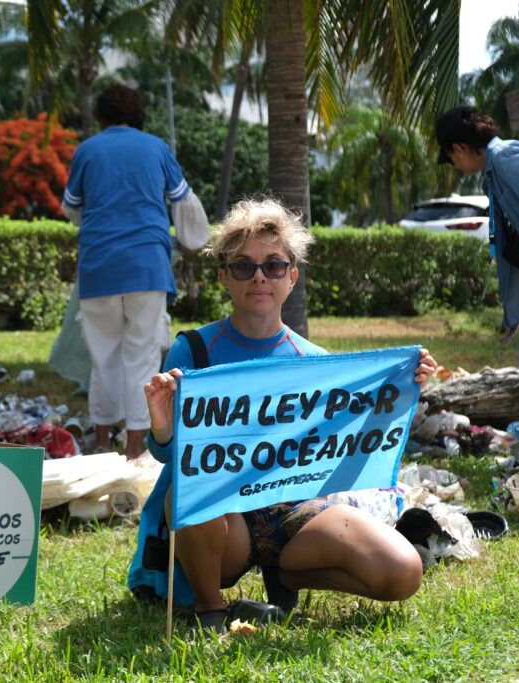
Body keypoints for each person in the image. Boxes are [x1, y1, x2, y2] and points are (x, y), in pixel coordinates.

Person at [127, 198, 438, 635]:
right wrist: (161, 426)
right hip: (221, 521)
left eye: (274, 265)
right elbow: (175, 457)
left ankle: (288, 575)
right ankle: (210, 608)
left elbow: (348, 448)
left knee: (403, 570)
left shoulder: (316, 362)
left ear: (292, 278)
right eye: (243, 266)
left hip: (295, 511)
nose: (258, 275)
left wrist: (405, 386)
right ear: (224, 278)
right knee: (188, 490)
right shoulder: (193, 350)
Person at [61, 83, 208, 459]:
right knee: (141, 356)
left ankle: (102, 443)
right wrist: (193, 242)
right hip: (147, 266)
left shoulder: (86, 151)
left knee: (103, 356)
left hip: (98, 266)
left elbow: (72, 209)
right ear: (138, 115)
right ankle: (135, 450)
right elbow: (185, 203)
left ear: (103, 116)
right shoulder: (156, 148)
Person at [436, 105, 519, 437]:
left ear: (458, 149)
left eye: (452, 158)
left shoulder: (506, 159)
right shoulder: (493, 172)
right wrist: (515, 311)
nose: (456, 166)